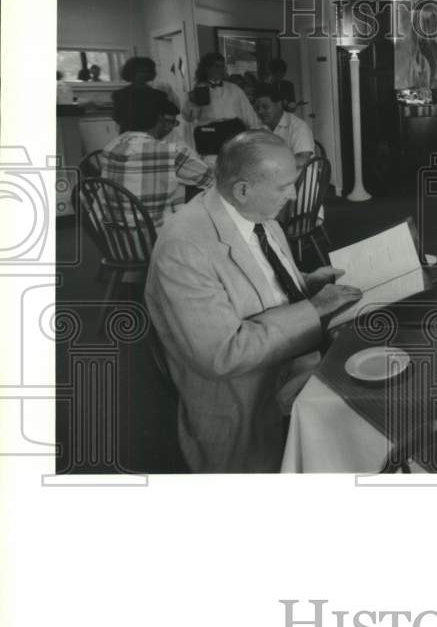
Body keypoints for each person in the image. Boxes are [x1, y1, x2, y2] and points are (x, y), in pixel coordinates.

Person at [145, 131, 362, 472]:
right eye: (284, 187)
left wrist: (305, 281)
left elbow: (260, 284)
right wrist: (315, 308)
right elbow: (222, 355)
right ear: (243, 189)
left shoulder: (256, 214)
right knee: (367, 423)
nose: (293, 195)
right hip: (246, 399)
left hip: (292, 363)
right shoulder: (184, 248)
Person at [101, 92, 214, 229]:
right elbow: (211, 179)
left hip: (117, 237)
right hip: (156, 235)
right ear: (158, 118)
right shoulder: (170, 152)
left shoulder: (111, 146)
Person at [183, 53, 260, 135]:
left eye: (222, 67)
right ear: (207, 68)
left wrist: (256, 131)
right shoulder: (199, 89)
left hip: (233, 130)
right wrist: (192, 101)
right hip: (209, 131)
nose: (220, 70)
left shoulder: (234, 89)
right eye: (217, 66)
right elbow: (189, 118)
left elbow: (247, 112)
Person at [253, 84, 314, 168]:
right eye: (257, 108)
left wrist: (272, 165)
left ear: (279, 105)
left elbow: (303, 160)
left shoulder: (298, 127)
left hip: (299, 178)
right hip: (275, 175)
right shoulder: (259, 127)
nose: (260, 111)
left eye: (265, 106)